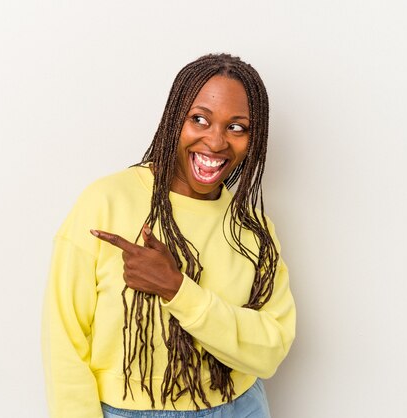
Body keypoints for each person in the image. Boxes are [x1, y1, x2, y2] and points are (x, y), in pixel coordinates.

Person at [41, 53, 296, 418]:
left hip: (241, 406)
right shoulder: (107, 201)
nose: (216, 141)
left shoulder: (252, 229)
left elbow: (270, 350)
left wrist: (177, 290)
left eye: (237, 127)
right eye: (199, 120)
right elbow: (64, 341)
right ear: (174, 118)